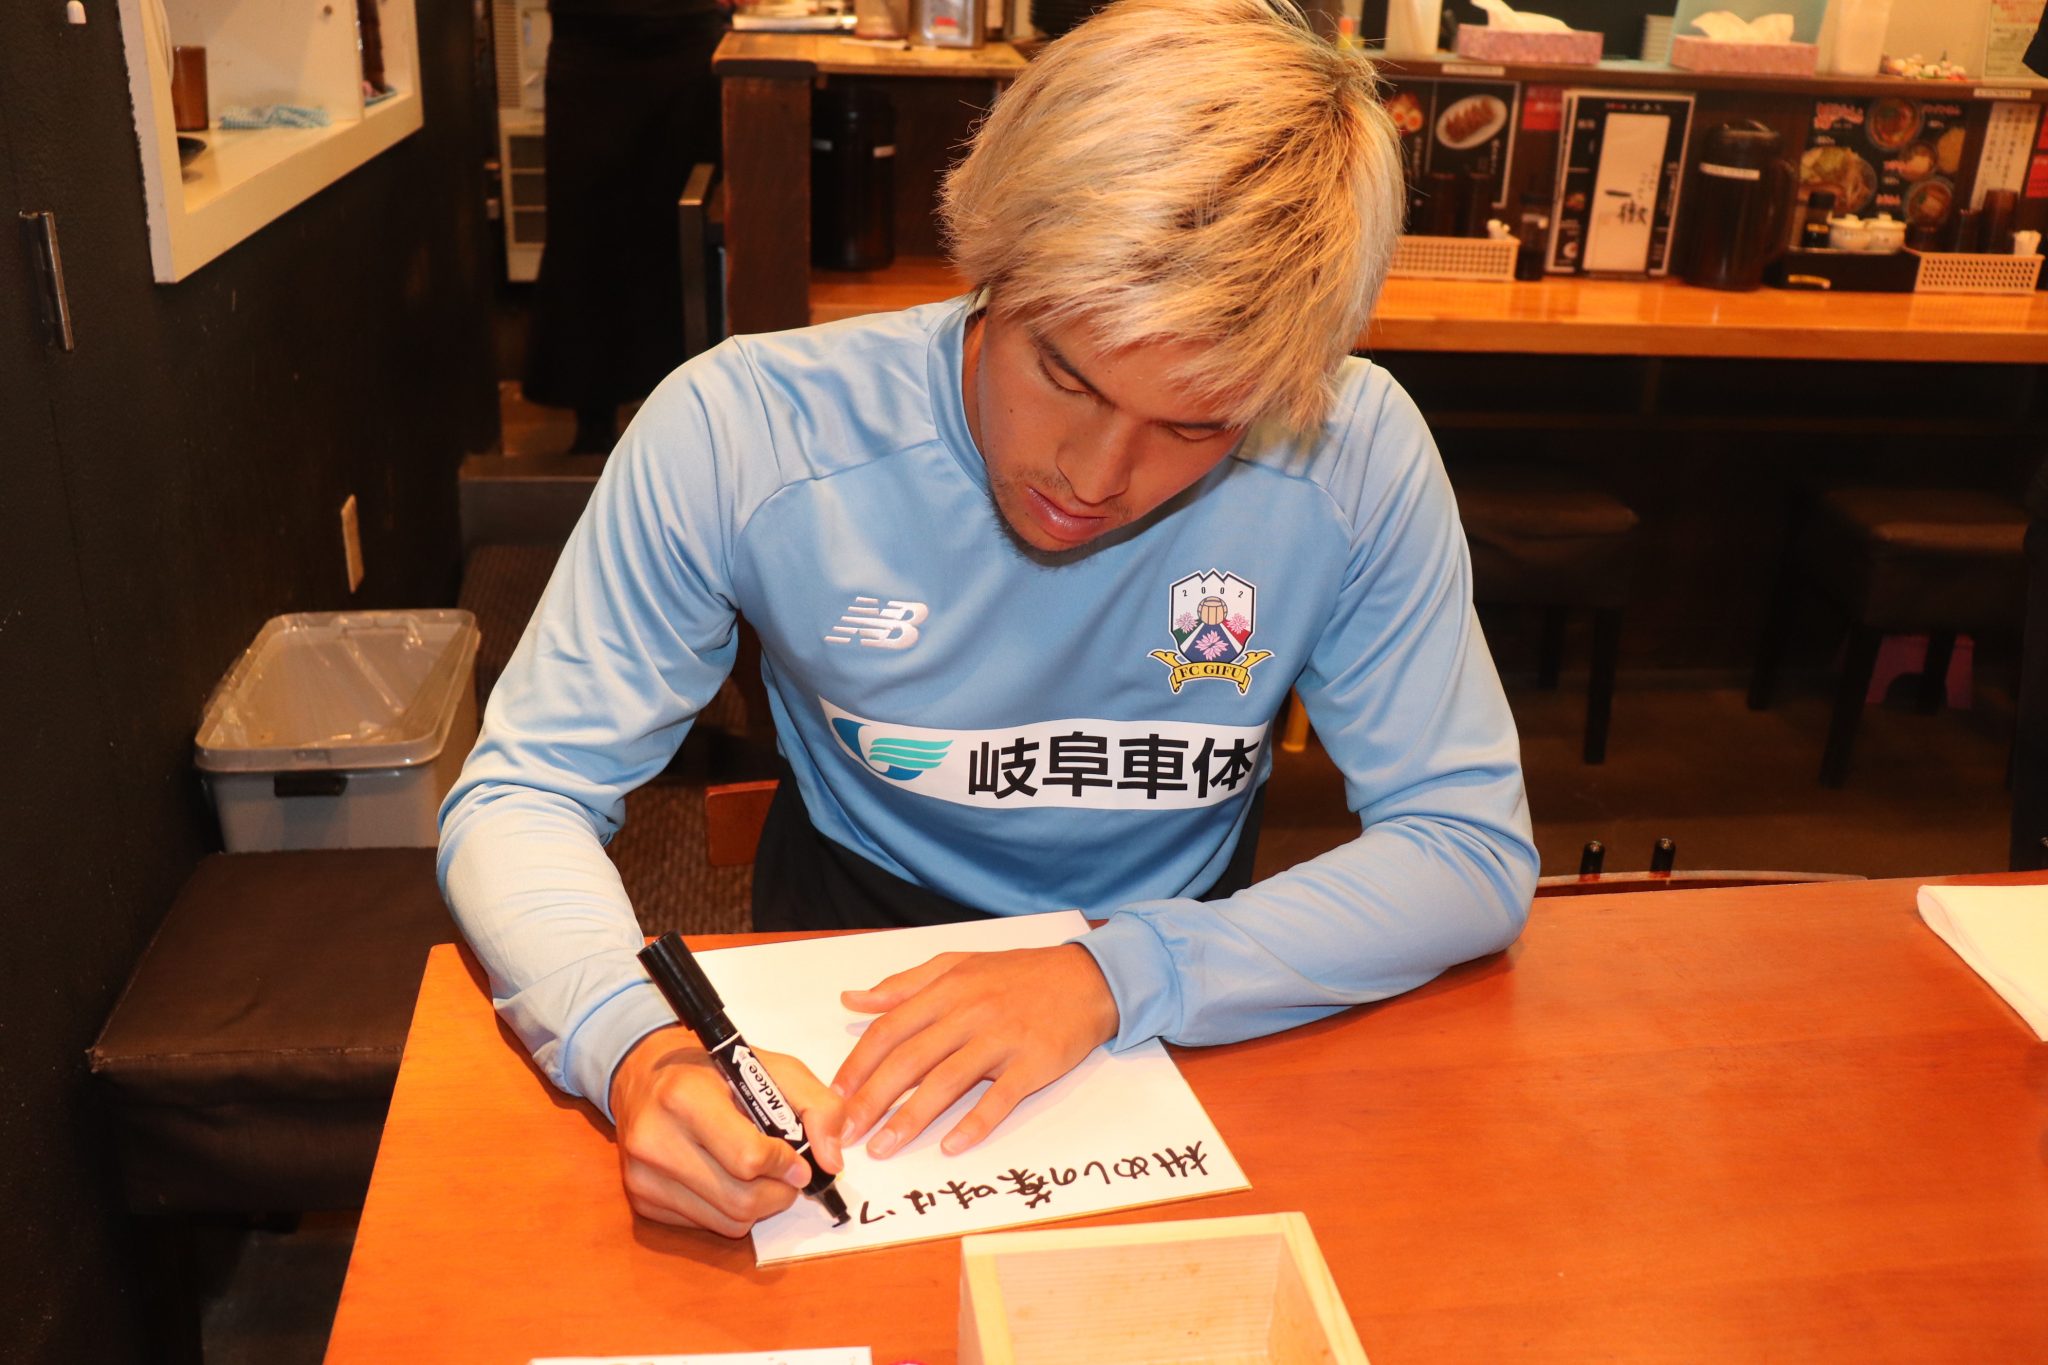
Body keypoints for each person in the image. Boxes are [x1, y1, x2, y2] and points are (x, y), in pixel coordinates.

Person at [440, 0, 1538, 1240]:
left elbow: (1464, 846)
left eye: (1196, 424)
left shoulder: (1351, 447)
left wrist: (1115, 975)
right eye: (1062, 372)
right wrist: (633, 1047)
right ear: (989, 259)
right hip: (836, 985)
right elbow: (524, 792)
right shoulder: (743, 429)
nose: (1094, 477)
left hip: (1180, 992)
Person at [524, 0, 726, 453]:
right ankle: (593, 419)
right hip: (590, 38)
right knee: (584, 227)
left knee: (681, 229)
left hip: (685, 37)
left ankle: (688, 421)